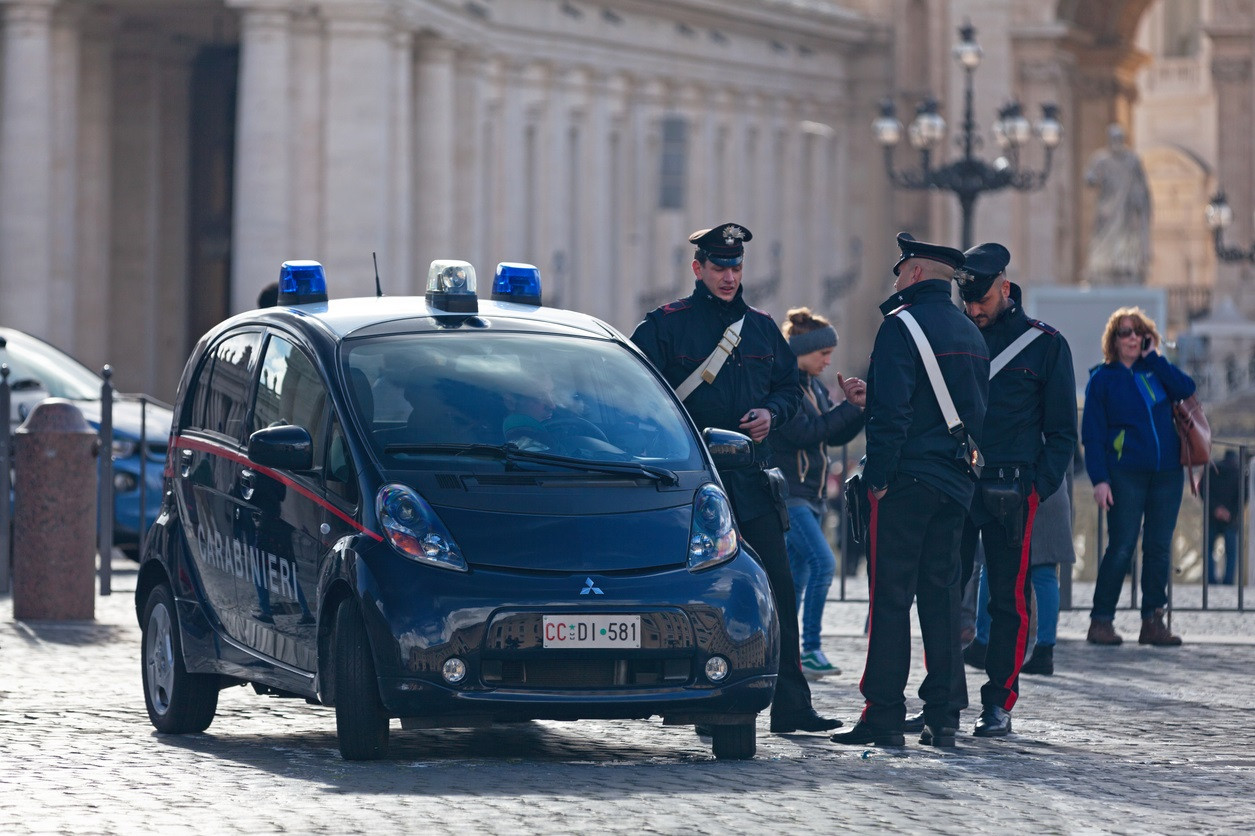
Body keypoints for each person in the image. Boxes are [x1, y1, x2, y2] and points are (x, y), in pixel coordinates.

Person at [631, 223, 840, 735]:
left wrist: (773, 413)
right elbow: (633, 393)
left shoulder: (763, 328)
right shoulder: (665, 326)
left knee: (782, 592)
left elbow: (791, 389)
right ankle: (695, 699)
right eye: (719, 266)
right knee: (697, 590)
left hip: (751, 480)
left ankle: (793, 706)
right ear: (698, 268)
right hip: (690, 484)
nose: (729, 276)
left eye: (736, 267)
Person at [830, 232, 988, 749]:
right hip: (954, 485)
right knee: (942, 600)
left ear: (916, 274)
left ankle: (883, 712)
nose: (895, 279)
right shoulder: (969, 331)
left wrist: (877, 479)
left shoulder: (900, 328)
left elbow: (894, 415)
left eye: (900, 271)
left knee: (891, 600)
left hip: (905, 484)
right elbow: (965, 411)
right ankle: (943, 714)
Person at [944, 244, 1076, 737]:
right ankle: (944, 700)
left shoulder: (1044, 345)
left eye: (980, 301)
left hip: (1012, 489)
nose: (973, 311)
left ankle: (998, 702)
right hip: (957, 484)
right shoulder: (955, 336)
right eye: (966, 302)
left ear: (1004, 288)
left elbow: (1062, 432)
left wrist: (1037, 489)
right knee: (943, 594)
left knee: (1008, 599)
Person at [1083, 307, 1195, 646]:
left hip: (1167, 474)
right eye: (1125, 333)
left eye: (1138, 333)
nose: (1132, 338)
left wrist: (1155, 357)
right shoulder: (1102, 379)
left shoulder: (1156, 372)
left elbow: (1186, 388)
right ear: (1114, 340)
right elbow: (1093, 434)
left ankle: (1152, 622)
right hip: (1124, 473)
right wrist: (1099, 480)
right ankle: (1101, 621)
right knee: (1122, 546)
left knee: (1159, 547)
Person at [772, 307, 866, 679]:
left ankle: (782, 651)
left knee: (797, 576)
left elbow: (831, 434)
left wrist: (856, 408)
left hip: (808, 495)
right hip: (790, 493)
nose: (829, 359)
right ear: (800, 351)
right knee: (824, 564)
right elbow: (805, 433)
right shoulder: (786, 389)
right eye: (822, 353)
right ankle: (809, 649)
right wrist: (845, 409)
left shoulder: (811, 386)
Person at [966, 470, 1075, 678]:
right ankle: (1045, 650)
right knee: (1045, 571)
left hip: (1015, 483)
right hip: (1049, 485)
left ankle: (983, 642)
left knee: (993, 564)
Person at [1084, 124, 1151, 286]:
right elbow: (1089, 177)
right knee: (1103, 238)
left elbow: (1141, 185)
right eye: (1114, 138)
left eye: (1119, 138)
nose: (1117, 142)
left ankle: (1124, 266)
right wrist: (1092, 178)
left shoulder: (1132, 160)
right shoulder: (1101, 159)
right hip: (1107, 207)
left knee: (1126, 238)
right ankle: (1102, 267)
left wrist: (1139, 201)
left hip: (1126, 209)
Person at [1203, 449, 1242, 586]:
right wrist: (1229, 512)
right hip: (1231, 519)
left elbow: (1203, 490)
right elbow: (1243, 497)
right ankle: (1228, 581)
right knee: (1231, 553)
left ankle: (1210, 580)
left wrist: (1216, 509)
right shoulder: (1239, 472)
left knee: (1209, 550)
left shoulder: (1211, 470)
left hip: (1212, 516)